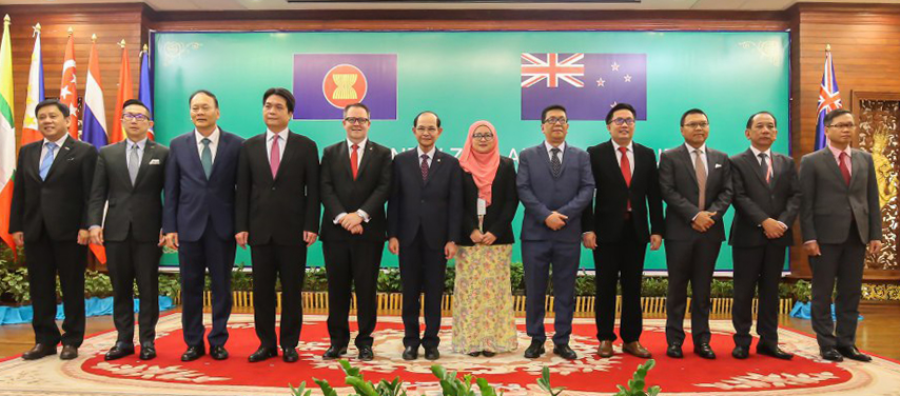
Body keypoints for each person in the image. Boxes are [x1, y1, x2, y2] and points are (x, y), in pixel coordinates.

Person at [235, 88, 319, 363]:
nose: (271, 111)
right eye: (267, 106)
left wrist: (311, 225)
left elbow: (313, 191)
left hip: (294, 231)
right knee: (262, 292)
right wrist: (242, 226)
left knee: (293, 291)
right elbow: (243, 190)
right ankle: (266, 343)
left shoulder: (306, 146)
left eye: (278, 107)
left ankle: (290, 344)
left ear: (290, 114)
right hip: (259, 230)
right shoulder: (249, 146)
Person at [9, 99, 97, 360]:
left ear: (67, 120)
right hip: (35, 229)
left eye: (53, 116)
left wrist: (86, 225)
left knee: (72, 286)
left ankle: (71, 340)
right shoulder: (28, 151)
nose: (47, 121)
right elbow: (21, 193)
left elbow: (90, 194)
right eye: (42, 117)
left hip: (71, 232)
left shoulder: (84, 151)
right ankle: (45, 340)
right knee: (40, 287)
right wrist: (16, 227)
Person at [163, 90, 244, 362]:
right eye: (195, 108)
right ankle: (193, 342)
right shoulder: (178, 145)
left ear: (217, 112)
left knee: (222, 286)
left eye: (205, 107)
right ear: (190, 113)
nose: (200, 112)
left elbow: (242, 190)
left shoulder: (236, 144)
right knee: (190, 286)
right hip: (188, 227)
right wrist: (170, 227)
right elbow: (171, 190)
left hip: (223, 227)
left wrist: (241, 225)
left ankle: (219, 340)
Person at [88, 99, 168, 361]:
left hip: (149, 232)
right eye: (129, 116)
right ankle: (123, 340)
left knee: (148, 288)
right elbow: (97, 193)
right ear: (121, 121)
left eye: (140, 116)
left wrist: (168, 227)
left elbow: (172, 195)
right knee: (120, 288)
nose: (134, 120)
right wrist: (94, 223)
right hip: (116, 231)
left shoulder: (163, 153)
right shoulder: (107, 153)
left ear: (149, 123)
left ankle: (147, 341)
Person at [581, 103, 663, 359]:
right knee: (605, 287)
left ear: (634, 125)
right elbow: (587, 195)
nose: (625, 124)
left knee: (632, 287)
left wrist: (657, 229)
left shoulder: (647, 154)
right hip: (605, 232)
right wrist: (588, 229)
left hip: (636, 231)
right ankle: (605, 337)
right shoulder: (595, 153)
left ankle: (631, 339)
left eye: (629, 120)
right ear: (609, 126)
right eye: (619, 120)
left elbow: (654, 195)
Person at [800, 108, 882, 362]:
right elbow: (806, 204)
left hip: (856, 235)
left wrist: (875, 234)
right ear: (827, 130)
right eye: (841, 125)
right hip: (824, 238)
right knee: (822, 293)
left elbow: (871, 199)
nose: (847, 129)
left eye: (850, 125)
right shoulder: (812, 161)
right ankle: (827, 343)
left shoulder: (864, 158)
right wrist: (809, 237)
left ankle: (847, 342)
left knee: (851, 291)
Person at [517, 104, 594, 361]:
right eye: (551, 120)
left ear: (568, 126)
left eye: (562, 119)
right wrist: (545, 215)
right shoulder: (528, 155)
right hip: (535, 235)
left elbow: (587, 189)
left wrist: (563, 215)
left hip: (568, 233)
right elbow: (523, 189)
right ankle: (536, 339)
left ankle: (562, 340)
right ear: (542, 126)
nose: (557, 124)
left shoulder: (581, 156)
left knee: (565, 290)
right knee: (535, 290)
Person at [387, 111, 462, 361]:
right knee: (409, 294)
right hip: (407, 237)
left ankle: (431, 342)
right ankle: (410, 342)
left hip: (437, 240)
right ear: (414, 131)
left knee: (433, 293)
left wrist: (452, 238)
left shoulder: (451, 164)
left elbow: (455, 204)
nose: (426, 133)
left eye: (431, 128)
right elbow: (394, 200)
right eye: (422, 128)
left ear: (439, 132)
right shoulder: (400, 161)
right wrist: (393, 234)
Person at [320, 103, 392, 361]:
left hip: (368, 233)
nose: (356, 124)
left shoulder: (383, 154)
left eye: (361, 119)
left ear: (369, 123)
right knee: (337, 289)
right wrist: (343, 217)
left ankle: (364, 342)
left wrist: (360, 215)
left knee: (366, 289)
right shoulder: (330, 153)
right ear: (344, 123)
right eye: (351, 119)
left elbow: (384, 188)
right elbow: (325, 187)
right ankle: (337, 342)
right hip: (335, 233)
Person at [658, 108, 732, 360]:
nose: (699, 128)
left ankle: (702, 340)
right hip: (680, 232)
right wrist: (693, 215)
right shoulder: (669, 157)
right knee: (677, 289)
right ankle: (675, 341)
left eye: (703, 124)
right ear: (682, 129)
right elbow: (667, 190)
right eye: (693, 124)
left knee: (703, 289)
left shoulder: (722, 158)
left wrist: (710, 216)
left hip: (709, 232)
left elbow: (727, 192)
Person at [729, 111, 800, 360]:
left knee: (771, 291)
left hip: (777, 237)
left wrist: (781, 223)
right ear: (748, 133)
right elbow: (738, 196)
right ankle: (742, 341)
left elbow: (795, 196)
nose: (765, 130)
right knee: (743, 291)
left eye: (770, 126)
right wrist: (764, 221)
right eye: (759, 126)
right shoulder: (736, 161)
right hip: (748, 236)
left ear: (776, 133)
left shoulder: (786, 162)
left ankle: (769, 341)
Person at [452, 120, 518, 357]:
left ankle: (493, 342)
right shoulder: (459, 166)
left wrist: (496, 230)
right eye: (477, 135)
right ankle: (469, 341)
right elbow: (455, 201)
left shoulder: (507, 165)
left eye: (487, 135)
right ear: (470, 138)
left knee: (495, 290)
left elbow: (512, 200)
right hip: (468, 238)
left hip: (496, 239)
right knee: (470, 290)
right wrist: (470, 229)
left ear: (494, 137)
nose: (482, 139)